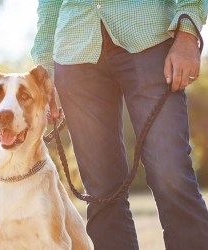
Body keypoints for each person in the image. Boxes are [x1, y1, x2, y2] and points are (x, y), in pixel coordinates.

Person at [31, 1, 208, 249]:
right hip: (75, 51)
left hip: (150, 38)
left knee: (171, 174)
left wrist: (188, 32)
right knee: (101, 193)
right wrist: (43, 67)